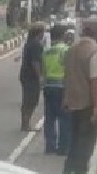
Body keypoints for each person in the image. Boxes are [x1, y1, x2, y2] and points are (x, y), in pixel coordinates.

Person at [62, 18, 97, 174]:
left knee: (75, 137)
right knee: (87, 139)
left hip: (72, 101)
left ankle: (68, 170)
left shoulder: (71, 49)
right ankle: (78, 172)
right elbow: (94, 82)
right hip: (88, 103)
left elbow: (67, 75)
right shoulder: (94, 52)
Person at [42, 24, 71, 155]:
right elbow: (69, 69)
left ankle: (50, 146)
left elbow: (44, 70)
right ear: (63, 35)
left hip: (48, 87)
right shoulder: (65, 50)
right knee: (64, 118)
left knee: (50, 118)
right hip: (62, 88)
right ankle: (63, 147)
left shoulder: (46, 51)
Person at [19, 22, 46, 131]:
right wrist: (40, 77)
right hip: (31, 76)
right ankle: (26, 123)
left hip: (25, 75)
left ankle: (25, 123)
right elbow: (35, 62)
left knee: (27, 99)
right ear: (39, 33)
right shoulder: (36, 45)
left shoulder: (29, 43)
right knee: (32, 100)